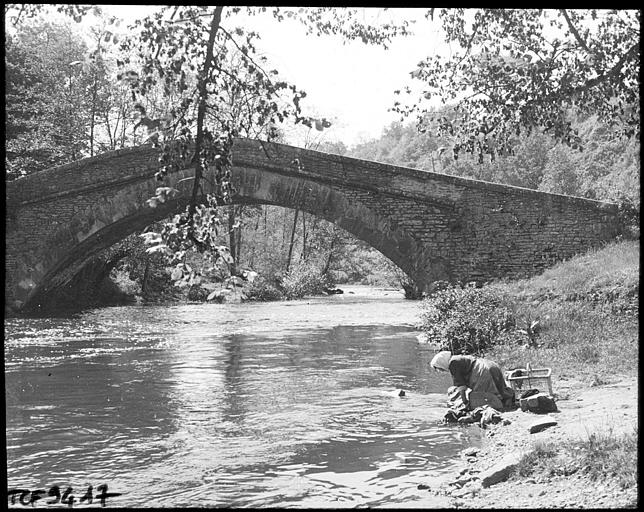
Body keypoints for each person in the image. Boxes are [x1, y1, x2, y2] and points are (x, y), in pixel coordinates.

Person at [430, 350, 515, 411]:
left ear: (442, 363)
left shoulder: (453, 363)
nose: (442, 371)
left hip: (482, 371)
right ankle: (508, 398)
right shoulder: (458, 358)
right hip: (490, 365)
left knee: (483, 394)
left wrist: (465, 402)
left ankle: (499, 404)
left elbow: (461, 386)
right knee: (499, 387)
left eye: (440, 369)